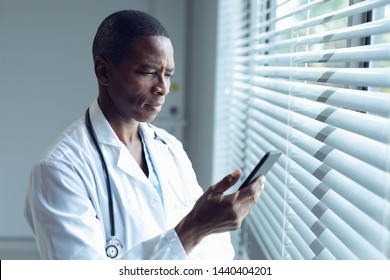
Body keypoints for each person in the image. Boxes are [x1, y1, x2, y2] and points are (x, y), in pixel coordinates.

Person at [24, 10, 265, 260]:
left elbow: (213, 250)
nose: (163, 88)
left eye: (168, 74)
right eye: (149, 72)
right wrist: (194, 228)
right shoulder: (59, 169)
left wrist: (212, 221)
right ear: (103, 71)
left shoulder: (170, 147)